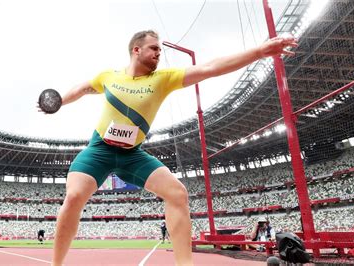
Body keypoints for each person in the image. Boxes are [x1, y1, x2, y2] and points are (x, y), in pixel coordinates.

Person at [46, 30, 297, 266]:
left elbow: (209, 68)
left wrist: (260, 51)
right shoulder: (109, 76)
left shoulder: (162, 79)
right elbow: (82, 88)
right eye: (154, 48)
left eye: (160, 50)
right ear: (136, 49)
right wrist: (58, 101)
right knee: (75, 196)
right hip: (99, 150)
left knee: (177, 194)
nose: (159, 53)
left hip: (132, 155)